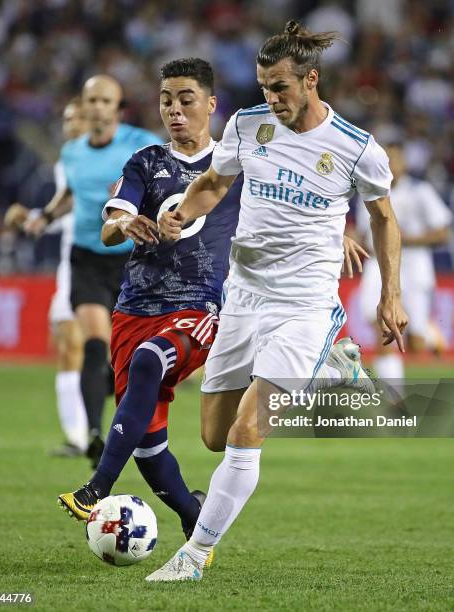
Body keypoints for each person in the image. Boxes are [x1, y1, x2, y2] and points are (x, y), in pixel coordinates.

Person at [57, 58, 367, 548]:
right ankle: (191, 513)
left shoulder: (242, 156)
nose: (175, 111)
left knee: (149, 361)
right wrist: (124, 225)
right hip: (135, 307)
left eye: (186, 100)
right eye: (166, 101)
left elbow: (298, 199)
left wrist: (337, 234)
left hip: (202, 306)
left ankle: (97, 487)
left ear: (210, 105)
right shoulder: (145, 162)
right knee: (147, 440)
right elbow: (110, 222)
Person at [147, 21, 408, 582]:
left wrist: (391, 295)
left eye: (282, 87)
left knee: (246, 433)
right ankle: (336, 371)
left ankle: (194, 556)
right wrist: (183, 214)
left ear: (311, 80)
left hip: (305, 305)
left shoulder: (357, 149)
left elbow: (385, 220)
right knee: (214, 436)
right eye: (265, 86)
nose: (272, 97)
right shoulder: (247, 125)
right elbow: (216, 183)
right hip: (242, 297)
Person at [26, 75, 162, 467]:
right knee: (95, 341)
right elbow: (71, 193)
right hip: (86, 257)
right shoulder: (72, 152)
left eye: (106, 101)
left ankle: (118, 417)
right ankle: (94, 435)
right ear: (83, 107)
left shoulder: (140, 144)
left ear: (118, 108)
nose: (98, 107)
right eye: (92, 101)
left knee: (126, 357)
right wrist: (46, 216)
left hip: (131, 259)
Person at [4, 97, 89, 456]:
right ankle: (78, 437)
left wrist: (38, 217)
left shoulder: (112, 162)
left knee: (101, 354)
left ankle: (107, 432)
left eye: (78, 119)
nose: (70, 126)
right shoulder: (66, 163)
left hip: (104, 266)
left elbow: (93, 215)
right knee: (68, 348)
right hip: (71, 266)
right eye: (67, 119)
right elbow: (66, 213)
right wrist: (33, 218)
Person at [356, 140, 452, 379]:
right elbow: (363, 234)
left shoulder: (421, 192)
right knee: (381, 326)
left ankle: (428, 334)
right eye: (385, 159)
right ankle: (394, 400)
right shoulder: (368, 191)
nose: (390, 165)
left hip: (414, 268)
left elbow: (443, 233)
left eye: (395, 159)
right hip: (377, 266)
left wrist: (400, 240)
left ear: (405, 163)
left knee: (416, 344)